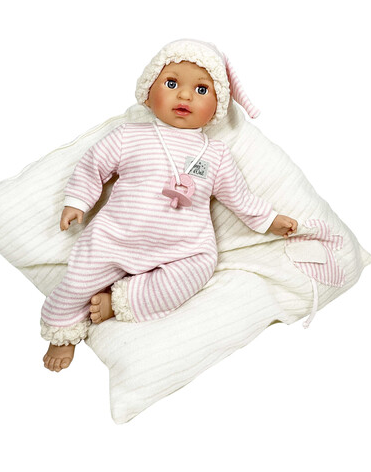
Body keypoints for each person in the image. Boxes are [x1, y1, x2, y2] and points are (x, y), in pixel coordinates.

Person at [42, 39, 298, 372]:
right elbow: (94, 165)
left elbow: (238, 196)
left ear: (217, 107)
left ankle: (119, 301)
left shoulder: (216, 154)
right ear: (148, 93)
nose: (185, 96)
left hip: (182, 247)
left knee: (198, 269)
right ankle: (62, 331)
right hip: (117, 236)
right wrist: (77, 201)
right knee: (78, 278)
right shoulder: (129, 136)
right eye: (172, 84)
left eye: (201, 90)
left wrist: (268, 219)